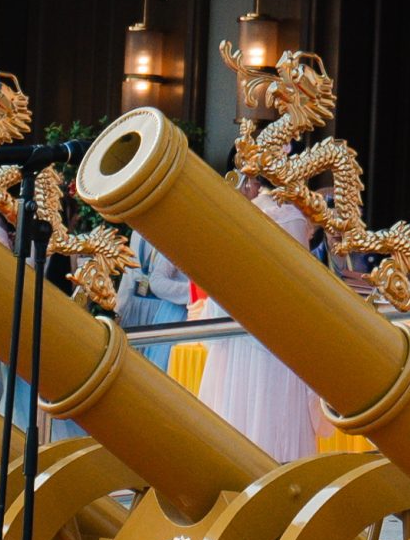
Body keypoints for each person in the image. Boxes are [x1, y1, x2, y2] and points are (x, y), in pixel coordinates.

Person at [194, 172, 327, 461]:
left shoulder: (240, 212)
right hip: (276, 340)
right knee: (275, 419)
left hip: (239, 336)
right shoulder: (290, 217)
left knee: (241, 412)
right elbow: (298, 288)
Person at [115, 231, 191, 371]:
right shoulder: (137, 234)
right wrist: (119, 310)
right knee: (132, 360)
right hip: (137, 303)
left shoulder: (170, 234)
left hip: (163, 305)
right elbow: (129, 275)